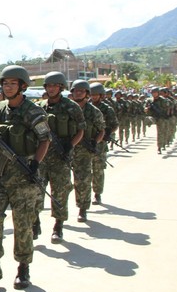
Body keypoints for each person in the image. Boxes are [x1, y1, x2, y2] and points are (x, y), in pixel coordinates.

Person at [0, 65, 50, 290]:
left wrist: (35, 163)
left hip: (24, 175)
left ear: (22, 86)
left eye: (12, 84)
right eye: (5, 84)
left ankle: (23, 268)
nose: (7, 87)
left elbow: (44, 139)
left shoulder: (34, 112)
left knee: (23, 225)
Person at [35, 71, 84, 243]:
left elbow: (80, 130)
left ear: (61, 87)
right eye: (48, 85)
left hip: (61, 157)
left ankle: (58, 225)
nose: (51, 88)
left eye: (55, 85)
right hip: (41, 156)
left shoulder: (71, 107)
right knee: (36, 191)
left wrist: (70, 145)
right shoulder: (39, 106)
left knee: (60, 192)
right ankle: (35, 221)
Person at [69, 80, 105, 222]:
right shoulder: (68, 108)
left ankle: (82, 208)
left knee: (82, 180)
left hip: (83, 151)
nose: (78, 93)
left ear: (86, 94)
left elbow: (101, 130)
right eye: (75, 91)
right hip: (67, 149)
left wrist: (95, 142)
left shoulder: (93, 111)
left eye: (81, 91)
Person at [89, 83, 117, 205]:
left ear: (101, 95)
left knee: (98, 169)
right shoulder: (86, 107)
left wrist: (107, 133)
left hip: (100, 144)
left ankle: (97, 193)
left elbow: (115, 124)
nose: (94, 97)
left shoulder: (107, 109)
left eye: (96, 94)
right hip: (86, 142)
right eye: (92, 94)